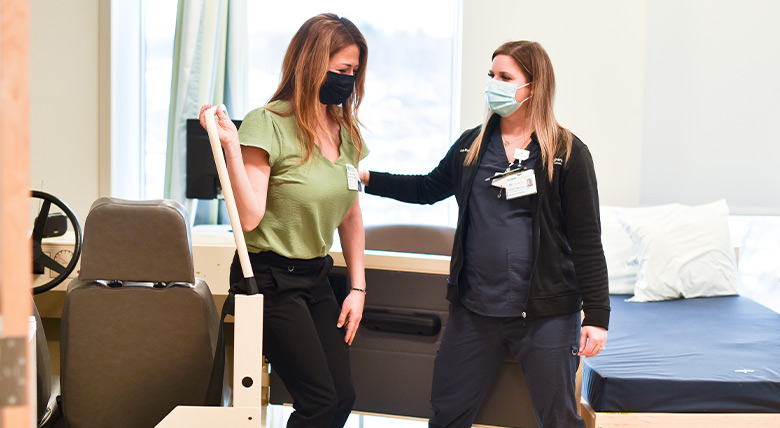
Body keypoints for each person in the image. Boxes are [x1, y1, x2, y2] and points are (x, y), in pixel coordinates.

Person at [359, 40, 610, 428]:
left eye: (506, 77)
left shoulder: (568, 153)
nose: (495, 84)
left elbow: (587, 240)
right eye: (492, 75)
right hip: (474, 310)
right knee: (447, 415)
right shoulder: (471, 146)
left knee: (558, 419)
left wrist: (597, 315)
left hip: (545, 315)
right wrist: (367, 178)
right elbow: (426, 189)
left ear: (534, 87)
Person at [199, 13, 369, 428]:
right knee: (319, 403)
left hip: (316, 278)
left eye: (354, 72)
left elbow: (350, 213)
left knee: (342, 398)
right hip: (271, 279)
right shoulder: (268, 122)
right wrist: (233, 149)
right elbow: (251, 217)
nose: (349, 79)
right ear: (313, 63)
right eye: (342, 69)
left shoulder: (346, 131)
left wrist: (358, 288)